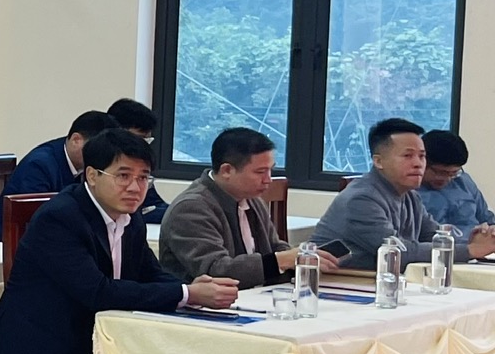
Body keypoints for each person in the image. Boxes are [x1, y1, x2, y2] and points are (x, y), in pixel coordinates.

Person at [0, 129, 235, 354]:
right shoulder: (61, 218)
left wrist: (193, 288)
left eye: (143, 178)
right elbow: (99, 292)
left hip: (100, 348)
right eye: (123, 176)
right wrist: (187, 294)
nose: (135, 187)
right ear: (92, 175)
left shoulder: (130, 219)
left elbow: (150, 273)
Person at [159, 126, 335, 287]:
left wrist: (297, 257)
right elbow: (215, 270)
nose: (268, 180)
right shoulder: (191, 208)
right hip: (204, 305)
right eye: (260, 172)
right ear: (227, 170)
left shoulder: (252, 200)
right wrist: (282, 260)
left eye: (271, 170)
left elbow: (274, 247)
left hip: (253, 297)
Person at [312, 116, 495, 266]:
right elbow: (396, 252)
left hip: (383, 280)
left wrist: (470, 240)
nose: (418, 163)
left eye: (422, 156)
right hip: (337, 283)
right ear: (378, 161)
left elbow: (432, 235)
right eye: (408, 156)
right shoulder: (361, 199)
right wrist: (471, 250)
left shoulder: (410, 195)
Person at [6, 109, 112, 200]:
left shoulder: (88, 167)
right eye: (97, 150)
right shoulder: (39, 166)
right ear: (76, 140)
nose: (100, 158)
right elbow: (35, 213)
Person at [106, 99, 169, 225]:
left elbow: (154, 203)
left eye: (147, 140)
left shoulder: (138, 164)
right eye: (140, 138)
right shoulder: (101, 161)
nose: (143, 146)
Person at [419, 129, 495, 234]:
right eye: (442, 172)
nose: (448, 179)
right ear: (422, 162)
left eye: (454, 173)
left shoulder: (463, 181)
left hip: (480, 240)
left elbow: (487, 218)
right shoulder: (409, 193)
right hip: (440, 242)